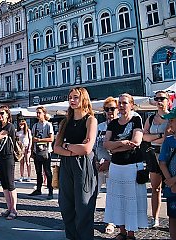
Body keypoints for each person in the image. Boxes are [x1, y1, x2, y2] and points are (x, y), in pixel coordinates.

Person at [53, 87, 98, 239]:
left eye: (76, 97)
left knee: (84, 206)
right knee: (66, 205)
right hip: (67, 164)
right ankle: (72, 236)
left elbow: (86, 149)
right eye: (70, 97)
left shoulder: (91, 120)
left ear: (84, 99)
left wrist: (67, 146)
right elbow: (56, 148)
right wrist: (72, 150)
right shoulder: (65, 122)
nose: (72, 100)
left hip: (84, 165)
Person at [103, 93, 148, 240]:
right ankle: (121, 231)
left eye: (124, 103)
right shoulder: (113, 123)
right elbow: (105, 144)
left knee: (131, 200)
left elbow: (136, 142)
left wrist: (114, 147)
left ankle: (130, 233)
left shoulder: (136, 120)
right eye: (119, 103)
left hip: (131, 166)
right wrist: (122, 144)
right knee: (118, 200)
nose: (121, 106)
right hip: (116, 167)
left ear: (131, 105)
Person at [143, 90, 170, 228]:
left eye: (162, 98)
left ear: (168, 100)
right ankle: (155, 218)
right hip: (154, 155)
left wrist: (154, 137)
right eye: (156, 98)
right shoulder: (150, 118)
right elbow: (144, 137)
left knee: (173, 186)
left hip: (169, 155)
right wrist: (160, 136)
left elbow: (169, 139)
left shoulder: (172, 117)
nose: (159, 101)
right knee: (156, 188)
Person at [94, 96, 119, 234]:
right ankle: (87, 218)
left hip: (113, 165)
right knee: (93, 193)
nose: (110, 111)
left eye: (112, 108)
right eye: (107, 109)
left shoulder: (120, 126)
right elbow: (94, 146)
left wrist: (110, 162)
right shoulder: (100, 126)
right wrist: (96, 161)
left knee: (112, 195)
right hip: (99, 165)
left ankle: (111, 221)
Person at [29, 106, 54, 199]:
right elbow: (32, 139)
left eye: (39, 113)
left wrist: (39, 140)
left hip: (46, 151)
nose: (38, 115)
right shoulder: (35, 126)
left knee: (47, 171)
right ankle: (38, 189)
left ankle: (50, 190)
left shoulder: (48, 125)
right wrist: (31, 150)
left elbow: (51, 138)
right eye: (37, 113)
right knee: (38, 171)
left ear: (44, 113)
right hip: (37, 151)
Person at [158, 108, 176, 240]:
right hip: (172, 187)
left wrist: (174, 180)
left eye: (172, 120)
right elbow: (162, 162)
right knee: (173, 217)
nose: (170, 124)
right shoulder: (168, 141)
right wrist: (170, 181)